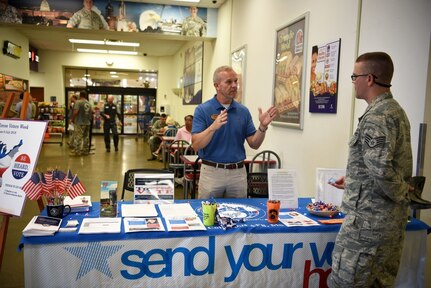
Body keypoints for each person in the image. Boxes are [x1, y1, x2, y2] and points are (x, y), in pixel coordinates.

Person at [328, 52, 413, 287]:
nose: (353, 81)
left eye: (355, 76)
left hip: (367, 226)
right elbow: (384, 165)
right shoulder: (395, 110)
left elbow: (382, 171)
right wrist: (355, 179)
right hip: (388, 223)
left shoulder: (377, 116)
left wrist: (401, 193)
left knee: (345, 283)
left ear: (370, 79)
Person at [192, 65, 278, 198]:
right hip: (211, 173)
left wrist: (262, 127)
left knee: (240, 215)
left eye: (236, 81)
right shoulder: (203, 110)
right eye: (228, 82)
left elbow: (254, 144)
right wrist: (212, 128)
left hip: (238, 174)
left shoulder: (243, 111)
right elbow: (196, 145)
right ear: (217, 85)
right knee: (208, 216)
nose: (234, 85)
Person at [70, 90, 93, 156]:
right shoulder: (88, 103)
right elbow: (91, 113)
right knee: (86, 137)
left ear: (80, 95)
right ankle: (85, 151)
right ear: (85, 96)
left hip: (80, 122)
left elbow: (75, 112)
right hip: (87, 123)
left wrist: (72, 119)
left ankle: (77, 152)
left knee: (78, 137)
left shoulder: (78, 102)